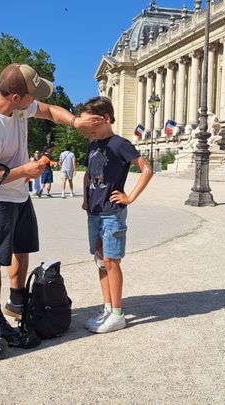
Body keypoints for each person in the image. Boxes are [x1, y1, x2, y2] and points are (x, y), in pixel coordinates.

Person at [0, 63, 102, 343]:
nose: (36, 101)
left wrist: (75, 122)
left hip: (19, 195)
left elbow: (50, 111)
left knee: (22, 249)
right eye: (32, 95)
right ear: (16, 97)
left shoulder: (19, 106)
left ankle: (17, 302)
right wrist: (24, 172)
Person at [78, 96, 153, 333]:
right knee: (101, 261)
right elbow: (88, 174)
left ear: (106, 119)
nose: (86, 128)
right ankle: (108, 308)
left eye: (91, 123)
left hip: (111, 213)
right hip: (95, 212)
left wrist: (129, 197)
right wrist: (85, 198)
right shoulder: (92, 146)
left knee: (111, 261)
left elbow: (147, 169)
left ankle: (118, 314)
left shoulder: (120, 144)